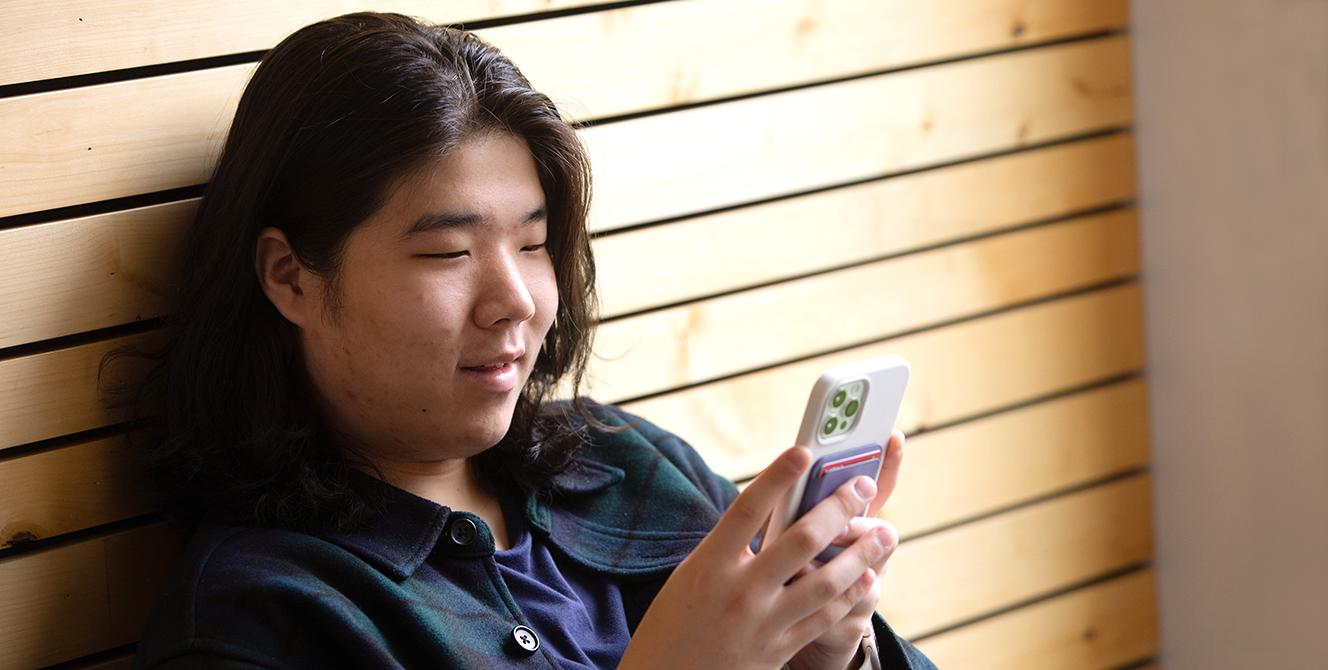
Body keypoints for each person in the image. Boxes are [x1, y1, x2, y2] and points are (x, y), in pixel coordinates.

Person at [116, 12, 937, 670]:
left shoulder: (629, 464)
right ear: (291, 277)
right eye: (448, 253)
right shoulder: (258, 617)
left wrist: (831, 659)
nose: (514, 300)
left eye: (535, 243)